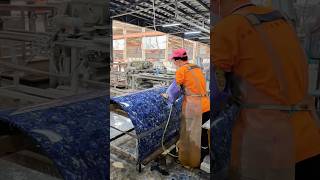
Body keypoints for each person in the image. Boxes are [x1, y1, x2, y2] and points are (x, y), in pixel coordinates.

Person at [211, 0, 320, 179]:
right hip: (309, 138)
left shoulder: (229, 29)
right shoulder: (279, 20)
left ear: (218, 2)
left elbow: (213, 96)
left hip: (270, 149)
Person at [162, 48, 210, 168]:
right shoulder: (196, 67)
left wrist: (167, 97)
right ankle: (204, 157)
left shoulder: (181, 70)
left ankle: (192, 162)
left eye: (174, 60)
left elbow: (175, 89)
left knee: (192, 136)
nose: (173, 63)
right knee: (203, 134)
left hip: (194, 107)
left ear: (178, 60)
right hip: (206, 105)